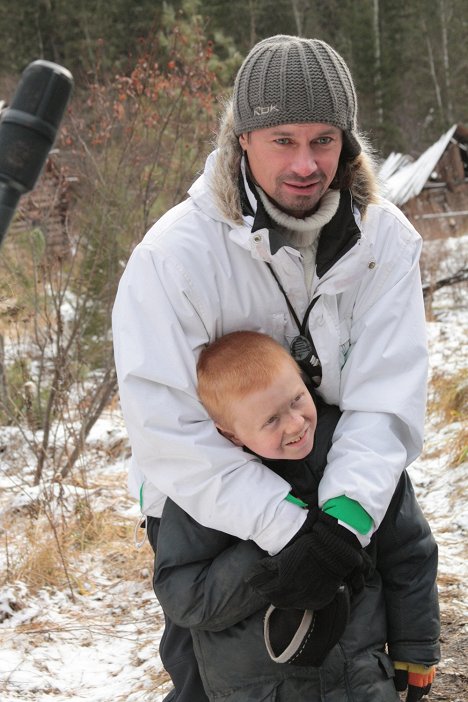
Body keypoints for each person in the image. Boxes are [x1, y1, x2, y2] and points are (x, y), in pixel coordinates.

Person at [112, 35, 429, 701]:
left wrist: (341, 520)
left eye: (323, 140)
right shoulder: (173, 259)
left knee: (349, 665)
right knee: (216, 679)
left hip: (342, 485)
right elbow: (165, 426)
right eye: (283, 139)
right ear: (243, 139)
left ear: (346, 142)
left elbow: (385, 397)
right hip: (209, 508)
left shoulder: (385, 242)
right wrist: (284, 528)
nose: (307, 163)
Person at [153, 330, 439, 701]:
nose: (295, 424)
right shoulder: (205, 489)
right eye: (270, 420)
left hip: (358, 680)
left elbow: (409, 551)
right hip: (262, 690)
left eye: (297, 400)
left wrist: (415, 646)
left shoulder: (356, 456)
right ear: (231, 435)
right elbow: (184, 595)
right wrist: (284, 554)